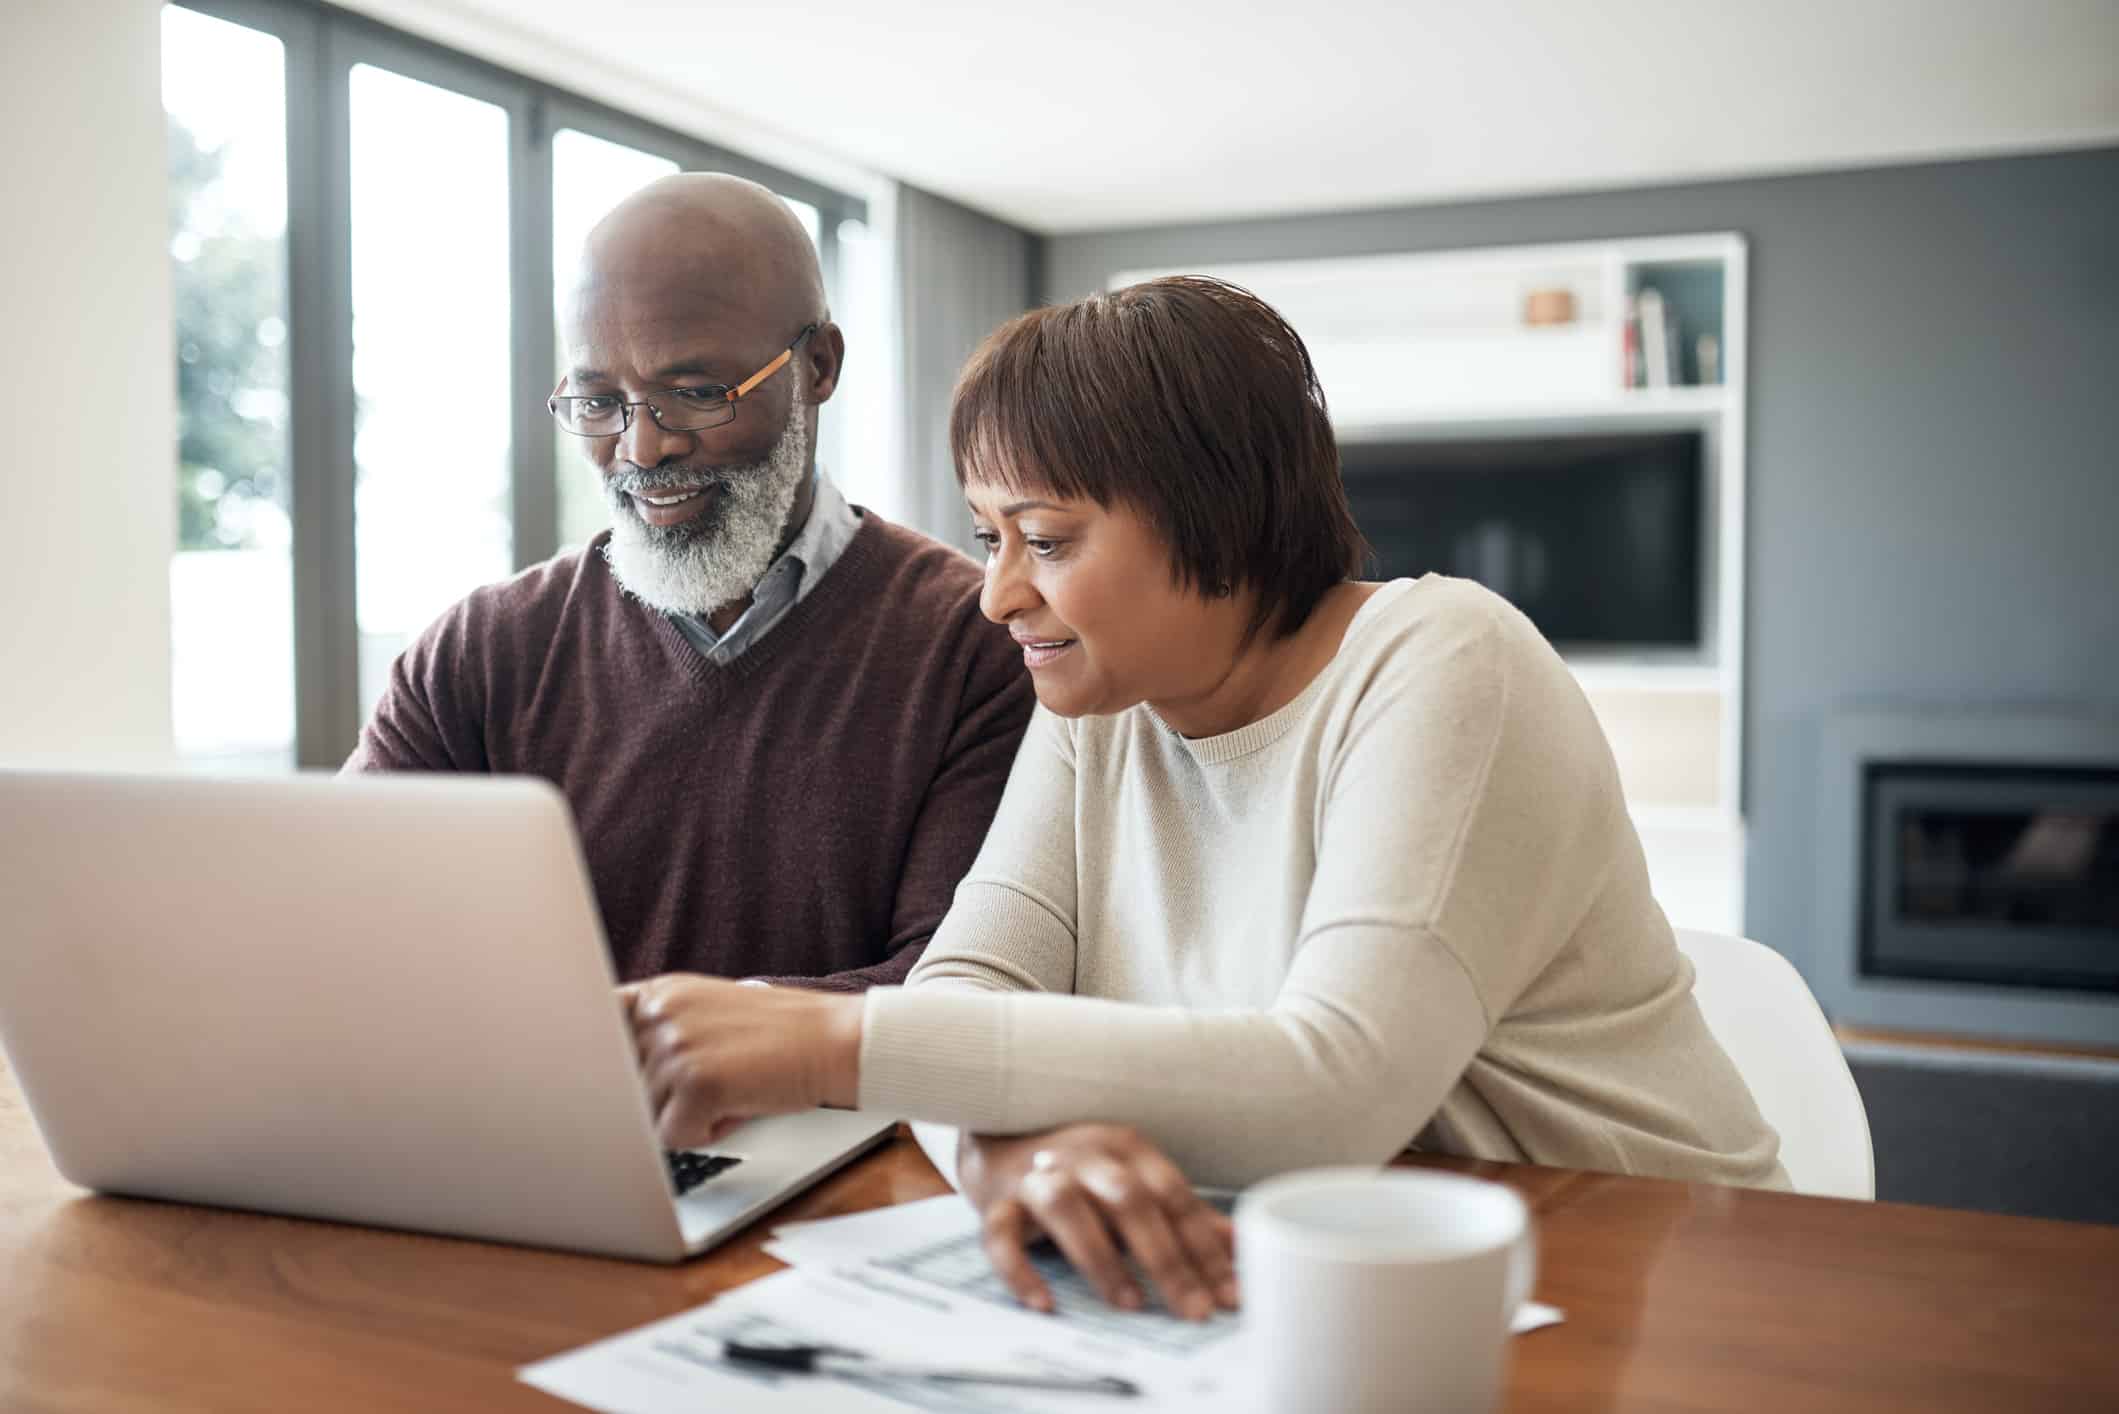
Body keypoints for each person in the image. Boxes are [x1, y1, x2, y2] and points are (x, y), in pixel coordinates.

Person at [617, 276, 1786, 1320]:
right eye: (987, 536)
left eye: (1047, 538)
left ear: (1216, 510)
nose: (997, 596)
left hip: (1658, 1277)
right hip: (1332, 1272)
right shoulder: (1101, 708)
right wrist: (1016, 1162)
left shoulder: (1445, 659)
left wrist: (829, 1038)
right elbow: (965, 997)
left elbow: (1331, 1087)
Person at [345, 174, 1032, 989]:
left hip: (844, 1122)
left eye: (695, 394)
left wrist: (637, 1041)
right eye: (599, 401)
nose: (641, 450)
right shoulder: (479, 652)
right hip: (520, 1111)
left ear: (817, 366)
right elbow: (347, 925)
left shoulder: (975, 646)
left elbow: (953, 987)